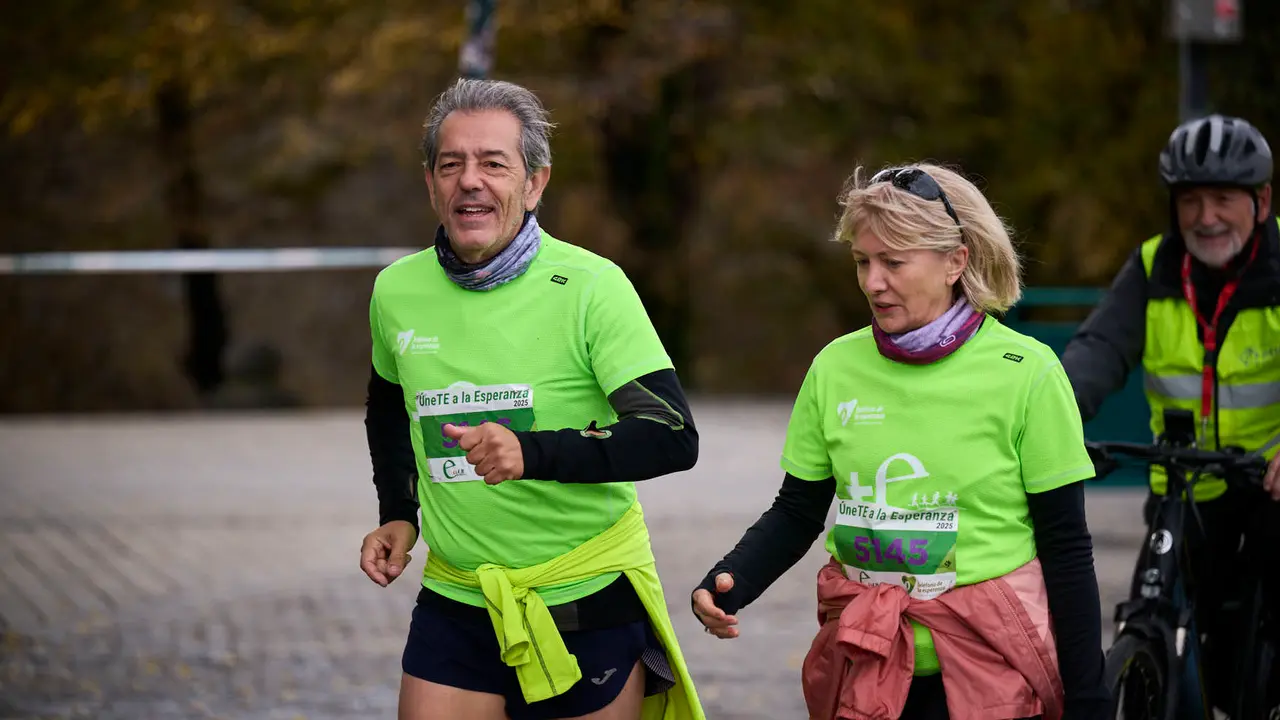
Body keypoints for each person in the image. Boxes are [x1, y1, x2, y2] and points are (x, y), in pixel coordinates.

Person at [691, 163, 1110, 719]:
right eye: (863, 261)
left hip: (988, 670)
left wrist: (1088, 699)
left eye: (892, 261)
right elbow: (798, 509)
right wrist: (730, 579)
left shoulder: (1027, 372)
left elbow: (1066, 546)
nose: (872, 282)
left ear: (955, 262)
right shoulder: (835, 367)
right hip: (868, 660)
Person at [359, 77, 705, 720]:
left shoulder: (592, 287)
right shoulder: (395, 291)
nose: (470, 180)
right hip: (457, 597)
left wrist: (531, 452)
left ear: (535, 182)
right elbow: (389, 408)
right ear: (430, 182)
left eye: (494, 163)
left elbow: (670, 432)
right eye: (451, 164)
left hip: (585, 598)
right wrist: (399, 510)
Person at [1060, 113, 1280, 712]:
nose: (1205, 217)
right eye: (1190, 200)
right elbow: (1100, 349)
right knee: (1154, 609)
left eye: (1221, 199)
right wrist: (1055, 415)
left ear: (1261, 200)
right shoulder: (1156, 264)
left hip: (1267, 484)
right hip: (1183, 485)